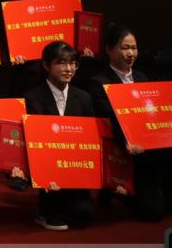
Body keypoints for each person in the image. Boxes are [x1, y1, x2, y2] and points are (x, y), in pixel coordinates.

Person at [88, 23, 171, 221]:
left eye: (134, 48)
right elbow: (108, 118)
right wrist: (128, 140)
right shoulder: (99, 82)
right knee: (153, 213)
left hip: (150, 148)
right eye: (125, 48)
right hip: (122, 147)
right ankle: (116, 190)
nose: (131, 53)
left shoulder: (143, 78)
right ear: (109, 49)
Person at [24, 41, 96, 231]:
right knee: (56, 215)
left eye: (72, 63)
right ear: (46, 66)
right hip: (48, 168)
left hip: (75, 168)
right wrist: (45, 174)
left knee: (84, 215)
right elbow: (34, 143)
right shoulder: (33, 98)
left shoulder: (84, 98)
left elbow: (90, 141)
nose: (68, 68)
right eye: (62, 62)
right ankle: (45, 210)